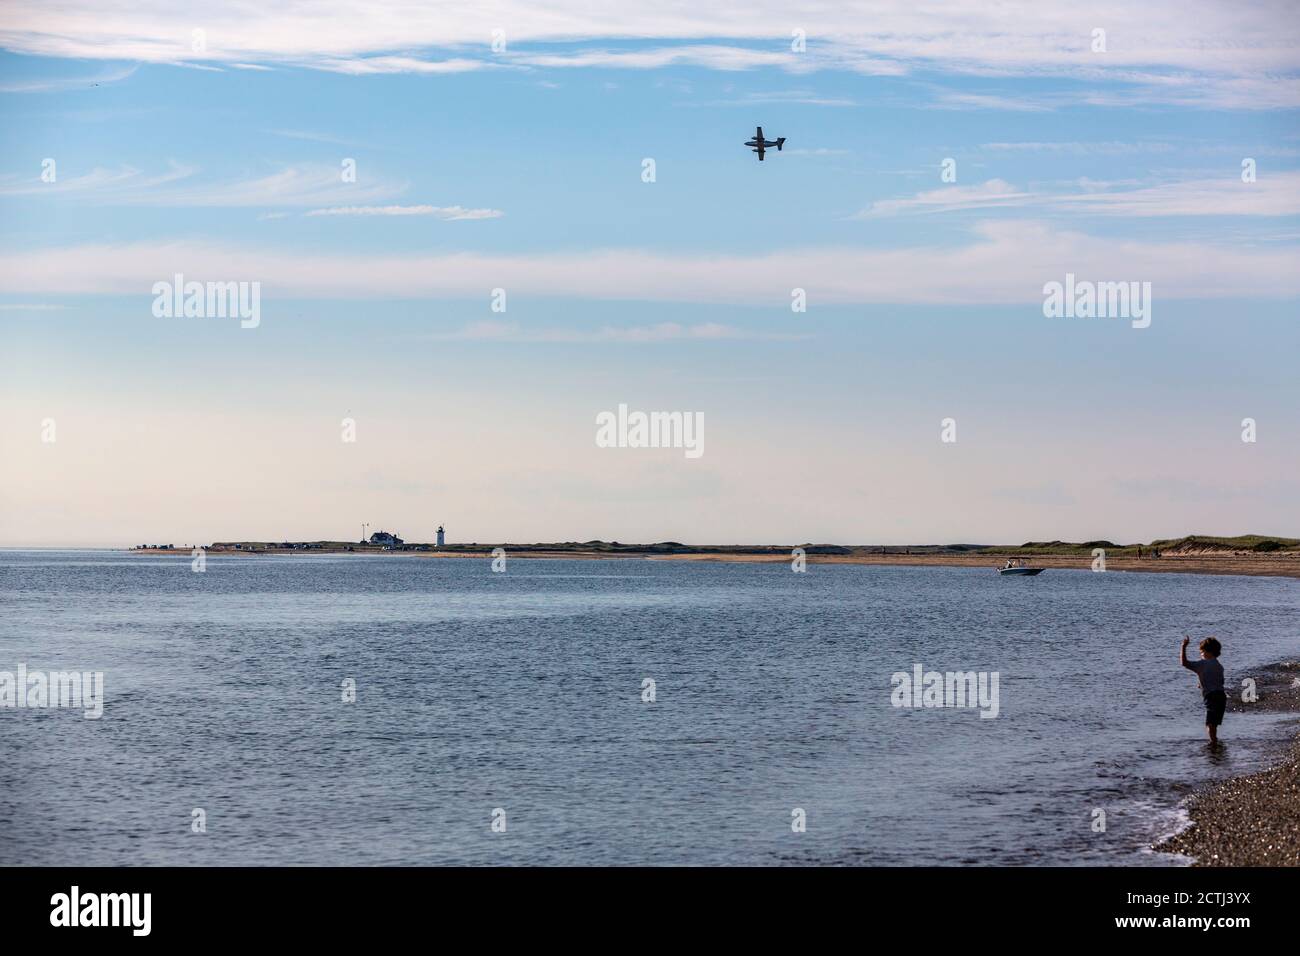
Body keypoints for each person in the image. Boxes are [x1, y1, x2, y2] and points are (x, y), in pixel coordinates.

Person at [1181, 636, 1226, 744]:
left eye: (1201, 652)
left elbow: (1184, 663)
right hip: (1221, 696)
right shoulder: (1219, 666)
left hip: (1211, 697)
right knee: (1214, 723)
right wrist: (1202, 683)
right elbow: (1220, 681)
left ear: (1208, 652)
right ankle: (1215, 743)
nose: (1201, 655)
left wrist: (1183, 647)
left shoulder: (1202, 664)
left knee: (1210, 724)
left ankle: (1213, 744)